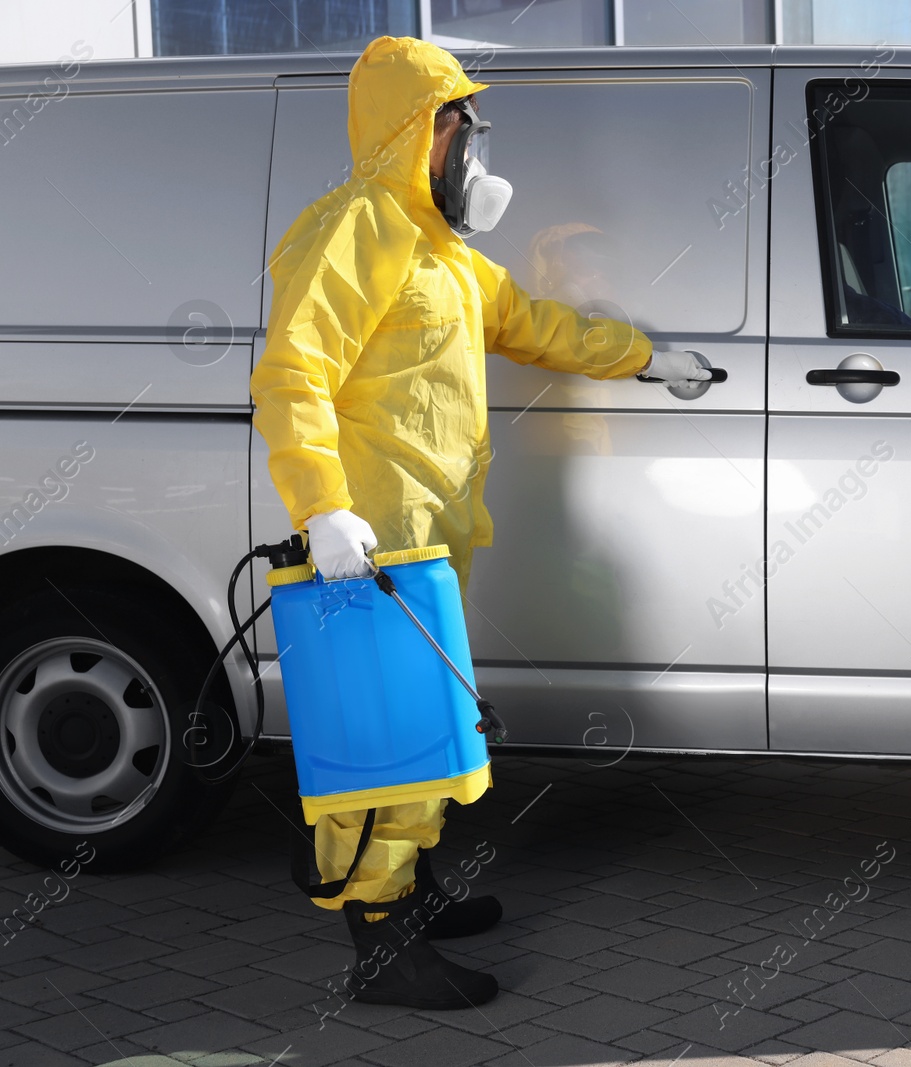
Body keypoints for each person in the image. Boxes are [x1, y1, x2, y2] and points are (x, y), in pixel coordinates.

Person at [249, 36, 708, 1009]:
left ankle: (405, 893)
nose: (472, 145)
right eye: (455, 123)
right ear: (411, 130)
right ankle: (379, 943)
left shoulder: (446, 254)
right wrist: (321, 505)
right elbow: (293, 372)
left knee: (429, 729)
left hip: (425, 538)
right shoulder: (357, 225)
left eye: (469, 125)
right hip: (369, 544)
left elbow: (537, 324)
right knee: (394, 743)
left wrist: (644, 359)